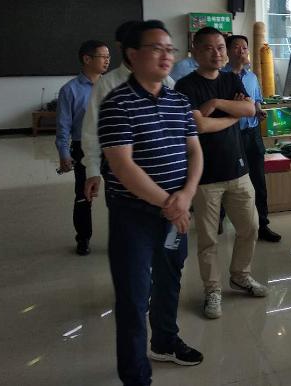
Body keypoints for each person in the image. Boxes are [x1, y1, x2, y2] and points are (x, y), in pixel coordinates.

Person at [98, 20, 204, 385]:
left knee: (169, 280)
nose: (166, 56)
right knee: (133, 295)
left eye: (169, 49)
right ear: (132, 54)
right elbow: (123, 166)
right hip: (134, 215)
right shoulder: (116, 103)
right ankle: (136, 375)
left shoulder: (179, 100)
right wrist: (170, 203)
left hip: (175, 213)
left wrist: (186, 196)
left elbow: (195, 151)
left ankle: (165, 341)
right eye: (156, 48)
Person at [175, 27, 267, 321]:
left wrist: (215, 105)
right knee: (208, 239)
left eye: (220, 47)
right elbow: (199, 126)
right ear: (195, 51)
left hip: (238, 170)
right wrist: (233, 114)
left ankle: (240, 275)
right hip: (205, 176)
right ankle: (212, 289)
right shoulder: (185, 86)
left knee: (250, 227)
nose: (217, 53)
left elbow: (250, 109)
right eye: (209, 48)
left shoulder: (231, 79)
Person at [81, 20, 175, 202]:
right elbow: (92, 132)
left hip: (164, 174)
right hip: (121, 178)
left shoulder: (167, 82)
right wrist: (92, 170)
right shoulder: (107, 85)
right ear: (123, 47)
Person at [222, 34, 281, 243]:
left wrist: (258, 110)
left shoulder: (252, 77)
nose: (242, 51)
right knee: (228, 179)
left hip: (252, 133)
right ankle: (220, 218)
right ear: (227, 51)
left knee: (258, 181)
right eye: (236, 47)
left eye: (244, 47)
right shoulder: (220, 77)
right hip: (231, 135)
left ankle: (262, 224)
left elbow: (256, 101)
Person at [55, 39, 110, 255]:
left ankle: (121, 238)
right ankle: (83, 238)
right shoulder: (70, 90)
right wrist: (64, 153)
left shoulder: (112, 86)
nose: (107, 60)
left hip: (112, 145)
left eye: (108, 57)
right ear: (87, 59)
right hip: (83, 147)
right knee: (83, 194)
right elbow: (63, 126)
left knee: (118, 194)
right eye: (103, 56)